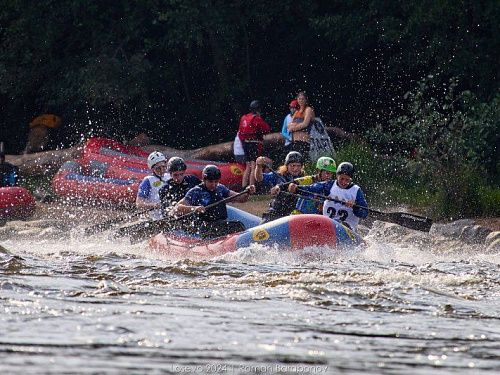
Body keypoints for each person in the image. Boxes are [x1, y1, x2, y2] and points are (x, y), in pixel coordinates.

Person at [174, 165, 256, 238]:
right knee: (236, 226)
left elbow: (241, 199)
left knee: (238, 225)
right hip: (206, 228)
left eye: (216, 181)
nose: (213, 184)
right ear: (204, 180)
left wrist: (247, 192)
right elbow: (178, 208)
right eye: (210, 182)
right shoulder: (196, 191)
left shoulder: (220, 188)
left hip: (221, 224)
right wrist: (194, 208)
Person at [288, 162, 368, 231]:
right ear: (337, 176)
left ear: (351, 179)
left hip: (348, 229)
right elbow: (311, 189)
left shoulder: (356, 191)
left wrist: (355, 207)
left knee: (342, 225)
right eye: (341, 179)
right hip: (327, 225)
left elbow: (364, 213)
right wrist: (297, 188)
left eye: (347, 180)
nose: (344, 182)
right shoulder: (329, 185)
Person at [254, 151, 305, 223]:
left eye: (298, 166)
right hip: (276, 212)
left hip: (295, 214)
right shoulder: (278, 175)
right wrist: (258, 166)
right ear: (286, 166)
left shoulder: (305, 179)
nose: (296, 169)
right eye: (293, 165)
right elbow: (259, 178)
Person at [238, 100, 271, 188]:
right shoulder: (256, 118)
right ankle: (252, 188)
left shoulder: (243, 117)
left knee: (247, 166)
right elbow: (266, 129)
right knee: (253, 166)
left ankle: (244, 187)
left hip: (245, 144)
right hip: (253, 144)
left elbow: (240, 133)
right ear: (258, 109)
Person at [136, 151, 170, 220]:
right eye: (158, 168)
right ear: (152, 169)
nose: (162, 170)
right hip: (156, 218)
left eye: (163, 167)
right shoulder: (148, 181)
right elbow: (139, 204)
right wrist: (154, 205)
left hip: (170, 214)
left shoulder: (170, 176)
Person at [287, 91, 315, 161]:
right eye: (299, 99)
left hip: (303, 140)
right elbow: (289, 126)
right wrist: (295, 126)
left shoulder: (308, 109)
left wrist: (294, 127)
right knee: (294, 161)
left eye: (302, 99)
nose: (301, 100)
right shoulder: (297, 111)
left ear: (306, 100)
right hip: (295, 141)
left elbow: (305, 123)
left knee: (302, 161)